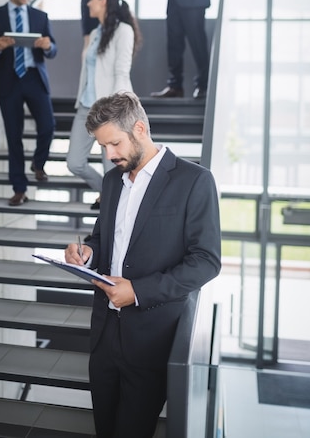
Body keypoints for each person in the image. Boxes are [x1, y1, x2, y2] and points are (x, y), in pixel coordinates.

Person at [65, 91, 221, 438]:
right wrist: (88, 252)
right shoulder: (111, 180)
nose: (109, 155)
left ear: (139, 128)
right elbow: (104, 239)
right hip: (105, 333)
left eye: (115, 144)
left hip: (151, 338)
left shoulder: (194, 181)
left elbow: (206, 261)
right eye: (103, 147)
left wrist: (137, 291)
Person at [0, 0, 57, 206]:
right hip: (8, 80)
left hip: (34, 77)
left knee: (48, 125)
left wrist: (47, 46)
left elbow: (53, 49)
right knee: (13, 136)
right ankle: (19, 189)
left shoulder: (39, 16)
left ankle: (38, 162)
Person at [66, 0, 141, 210]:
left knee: (112, 167)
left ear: (103, 1)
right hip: (85, 107)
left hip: (108, 110)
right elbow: (88, 73)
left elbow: (121, 72)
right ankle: (106, 192)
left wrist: (115, 111)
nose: (88, 2)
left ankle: (113, 203)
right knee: (74, 163)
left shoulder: (124, 31)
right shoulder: (95, 33)